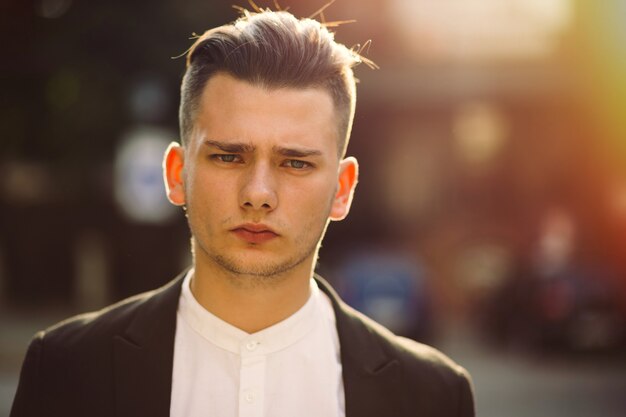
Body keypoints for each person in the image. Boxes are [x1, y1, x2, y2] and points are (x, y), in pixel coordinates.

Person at [11, 8, 474, 417]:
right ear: (176, 173)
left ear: (342, 188)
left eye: (295, 162)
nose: (258, 194)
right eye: (229, 156)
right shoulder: (64, 368)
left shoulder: (433, 396)